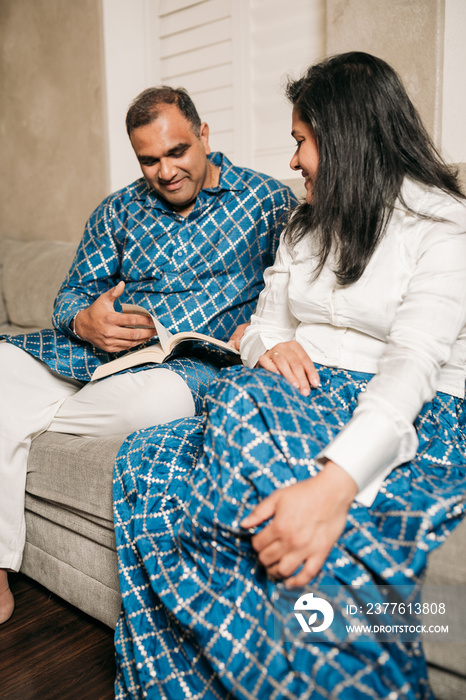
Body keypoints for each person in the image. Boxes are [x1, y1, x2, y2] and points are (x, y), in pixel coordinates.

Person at [113, 53, 466, 699]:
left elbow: (412, 364)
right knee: (146, 453)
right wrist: (269, 351)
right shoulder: (304, 224)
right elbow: (263, 327)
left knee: (242, 407)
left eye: (302, 142)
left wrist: (335, 488)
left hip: (413, 409)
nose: (295, 160)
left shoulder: (443, 225)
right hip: (304, 392)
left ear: (346, 140)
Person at [0, 86, 296, 624]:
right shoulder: (116, 210)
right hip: (86, 358)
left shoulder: (268, 201)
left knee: (157, 404)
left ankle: (14, 422)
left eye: (177, 151)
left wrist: (266, 325)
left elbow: (301, 282)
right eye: (149, 160)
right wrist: (84, 319)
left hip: (182, 367)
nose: (164, 172)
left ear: (204, 136)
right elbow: (69, 296)